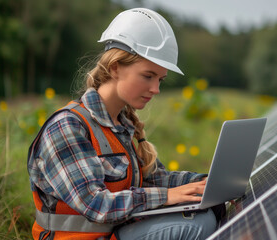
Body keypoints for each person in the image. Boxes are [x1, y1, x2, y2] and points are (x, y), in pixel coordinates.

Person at [27, 8, 222, 240]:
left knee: (207, 211)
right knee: (196, 225)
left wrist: (203, 183)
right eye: (148, 76)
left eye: (160, 79)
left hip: (116, 234)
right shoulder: (67, 127)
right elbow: (95, 204)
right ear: (115, 67)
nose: (156, 89)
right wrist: (169, 197)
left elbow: (153, 179)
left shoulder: (122, 126)